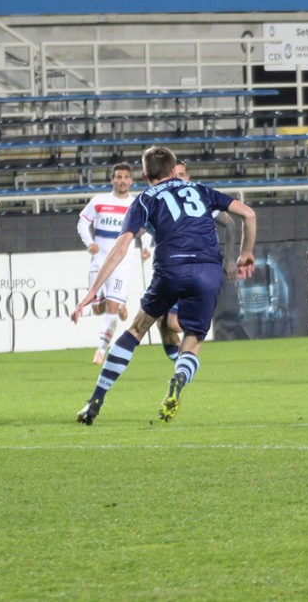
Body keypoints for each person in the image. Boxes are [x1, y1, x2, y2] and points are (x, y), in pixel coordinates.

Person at [71, 145, 256, 425]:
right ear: (174, 170)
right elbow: (248, 214)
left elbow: (121, 248)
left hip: (171, 268)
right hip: (208, 270)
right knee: (193, 337)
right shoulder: (200, 190)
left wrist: (93, 291)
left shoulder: (144, 200)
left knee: (136, 329)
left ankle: (95, 401)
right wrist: (246, 253)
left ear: (145, 176)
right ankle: (179, 376)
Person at [155, 159, 238, 362]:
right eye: (175, 175)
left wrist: (230, 259)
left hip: (200, 265)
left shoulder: (199, 198)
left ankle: (196, 332)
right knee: (161, 321)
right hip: (174, 265)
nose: (178, 178)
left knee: (172, 322)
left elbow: (229, 223)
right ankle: (182, 364)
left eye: (182, 175)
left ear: (188, 177)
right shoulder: (162, 200)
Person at [76, 162, 153, 365]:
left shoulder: (137, 205)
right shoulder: (99, 201)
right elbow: (82, 222)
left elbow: (146, 229)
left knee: (111, 306)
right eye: (118, 177)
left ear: (131, 181)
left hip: (123, 265)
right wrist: (89, 243)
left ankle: (101, 351)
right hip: (99, 263)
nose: (122, 181)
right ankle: (119, 304)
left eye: (126, 177)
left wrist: (146, 247)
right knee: (98, 309)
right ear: (112, 180)